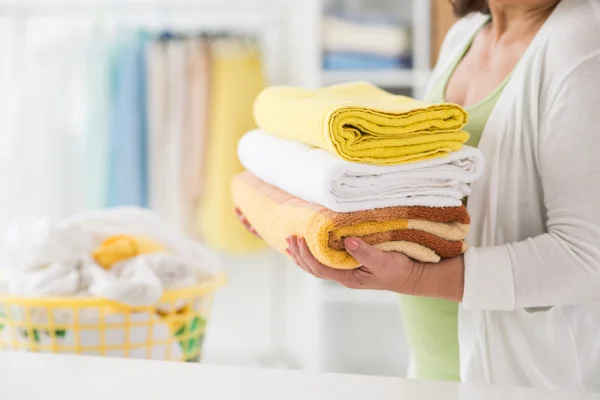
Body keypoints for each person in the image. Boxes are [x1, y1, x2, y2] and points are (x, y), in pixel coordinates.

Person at [238, 0, 600, 392]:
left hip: (529, 379)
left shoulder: (581, 44)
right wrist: (308, 217)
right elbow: (421, 189)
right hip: (434, 369)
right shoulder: (465, 36)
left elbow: (588, 257)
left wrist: (416, 279)